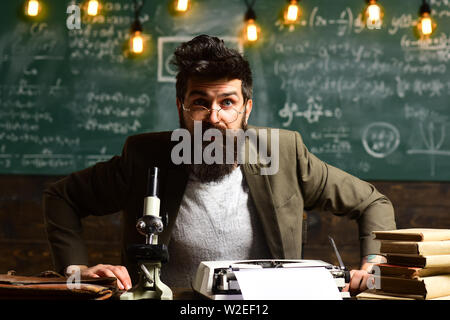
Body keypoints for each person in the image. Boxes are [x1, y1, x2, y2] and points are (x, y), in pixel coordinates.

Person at [43, 34, 396, 296]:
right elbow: (62, 197)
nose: (214, 118)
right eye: (200, 103)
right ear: (181, 106)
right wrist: (77, 269)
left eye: (227, 102)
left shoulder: (283, 152)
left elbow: (371, 202)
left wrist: (375, 263)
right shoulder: (145, 156)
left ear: (246, 108)